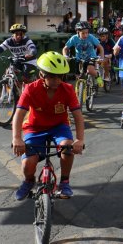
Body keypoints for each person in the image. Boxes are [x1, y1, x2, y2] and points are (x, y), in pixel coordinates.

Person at [12, 51, 85, 200]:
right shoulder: (30, 89)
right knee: (28, 163)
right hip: (35, 128)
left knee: (67, 147)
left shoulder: (68, 89)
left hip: (59, 126)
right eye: (52, 76)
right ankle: (28, 181)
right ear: (41, 75)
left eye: (60, 76)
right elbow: (18, 115)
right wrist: (17, 138)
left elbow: (78, 116)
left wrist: (80, 139)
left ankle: (64, 181)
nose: (56, 80)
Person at [62, 21, 105, 88]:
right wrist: (65, 56)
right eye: (83, 33)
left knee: (90, 70)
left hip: (91, 57)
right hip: (79, 58)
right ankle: (81, 91)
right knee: (78, 76)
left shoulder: (91, 37)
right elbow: (65, 49)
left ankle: (97, 76)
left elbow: (101, 48)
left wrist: (101, 58)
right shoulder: (74, 38)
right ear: (78, 32)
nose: (85, 35)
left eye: (87, 33)